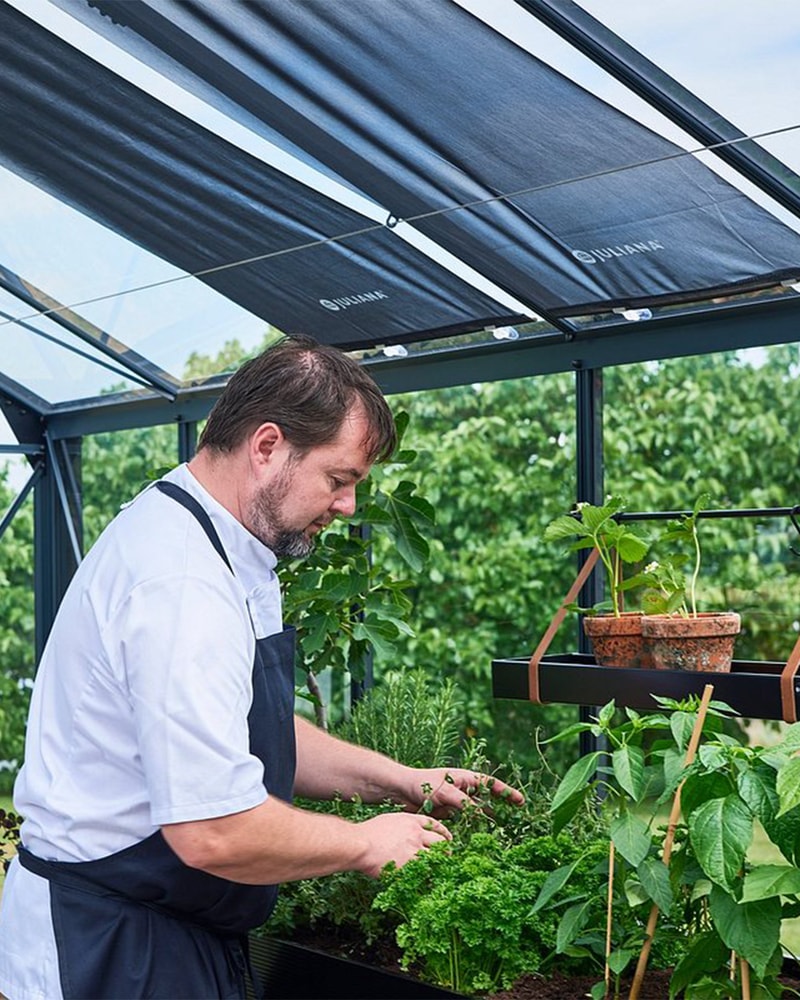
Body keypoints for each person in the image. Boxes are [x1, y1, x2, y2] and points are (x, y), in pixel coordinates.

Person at [0, 335, 523, 1000]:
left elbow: (246, 729)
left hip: (166, 929)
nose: (348, 507)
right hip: (110, 947)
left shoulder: (230, 545)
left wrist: (398, 781)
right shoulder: (180, 582)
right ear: (268, 445)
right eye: (339, 480)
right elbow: (212, 830)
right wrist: (364, 843)